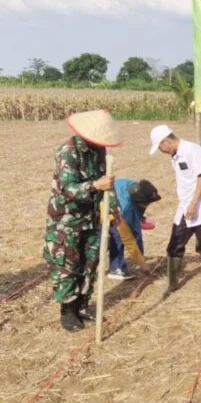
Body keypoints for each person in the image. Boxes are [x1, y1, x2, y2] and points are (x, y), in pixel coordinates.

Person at [42, 109, 121, 332]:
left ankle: (83, 305)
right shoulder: (68, 151)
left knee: (90, 263)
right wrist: (95, 186)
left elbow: (107, 183)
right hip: (67, 220)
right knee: (67, 265)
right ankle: (68, 310)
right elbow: (66, 190)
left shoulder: (100, 150)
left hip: (92, 217)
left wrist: (113, 209)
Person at [149, 125, 201, 295]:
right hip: (185, 207)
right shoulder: (175, 156)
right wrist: (188, 204)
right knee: (174, 244)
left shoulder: (193, 150)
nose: (161, 150)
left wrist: (194, 204)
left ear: (167, 141)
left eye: (160, 147)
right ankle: (173, 281)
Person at [105, 179, 162, 280]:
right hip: (108, 209)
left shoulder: (136, 188)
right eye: (146, 203)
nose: (148, 205)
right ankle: (116, 268)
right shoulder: (125, 208)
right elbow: (130, 239)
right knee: (117, 235)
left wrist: (138, 218)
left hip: (122, 203)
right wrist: (142, 263)